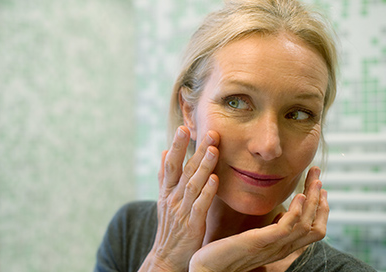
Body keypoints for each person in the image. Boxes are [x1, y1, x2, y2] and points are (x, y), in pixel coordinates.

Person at [95, 0, 377, 271]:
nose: (268, 146)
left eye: (299, 114)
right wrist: (164, 262)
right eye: (237, 102)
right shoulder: (129, 231)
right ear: (189, 110)